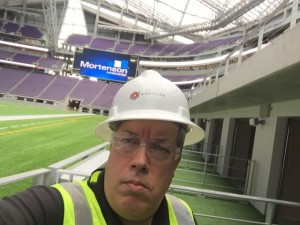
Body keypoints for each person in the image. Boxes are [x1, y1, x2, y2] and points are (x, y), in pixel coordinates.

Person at [0, 70, 205, 225]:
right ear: (111, 145)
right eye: (128, 141)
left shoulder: (184, 217)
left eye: (160, 149)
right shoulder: (51, 208)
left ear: (175, 161)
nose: (141, 161)